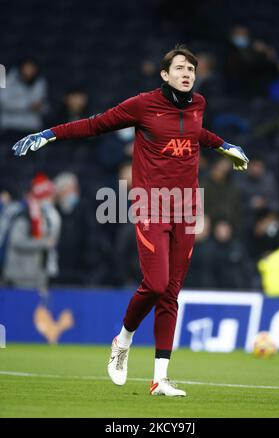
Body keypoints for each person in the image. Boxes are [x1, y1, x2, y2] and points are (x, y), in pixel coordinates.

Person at [11, 45, 249, 397]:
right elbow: (94, 125)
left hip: (185, 210)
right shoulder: (142, 104)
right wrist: (49, 134)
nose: (188, 73)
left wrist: (223, 145)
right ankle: (122, 340)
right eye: (180, 68)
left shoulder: (198, 105)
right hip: (151, 206)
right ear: (165, 75)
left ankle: (160, 379)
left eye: (192, 70)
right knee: (155, 284)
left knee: (171, 294)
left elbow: (195, 133)